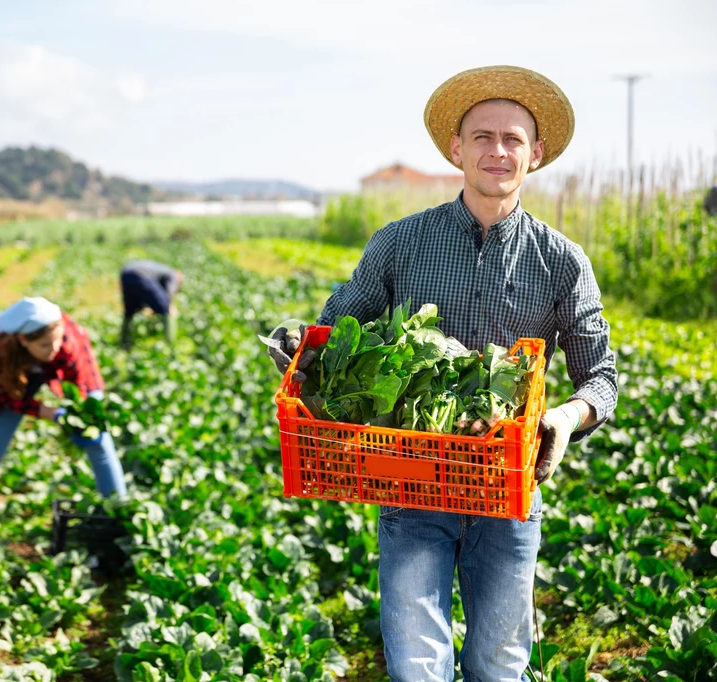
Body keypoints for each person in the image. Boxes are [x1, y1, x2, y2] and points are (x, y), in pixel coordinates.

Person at [269, 65, 618, 681]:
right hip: (409, 483)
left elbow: (602, 379)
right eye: (482, 137)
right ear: (456, 148)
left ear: (535, 155)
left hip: (509, 493)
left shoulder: (563, 261)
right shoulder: (399, 244)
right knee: (416, 665)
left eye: (512, 139)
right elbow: (331, 337)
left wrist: (563, 418)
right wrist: (300, 346)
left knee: (500, 664)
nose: (497, 151)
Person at [0, 297, 127, 569]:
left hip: (71, 363)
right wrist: (49, 413)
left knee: (99, 441)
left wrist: (86, 416)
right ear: (23, 341)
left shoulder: (67, 343)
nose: (52, 349)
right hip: (16, 373)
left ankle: (119, 519)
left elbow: (86, 387)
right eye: (44, 345)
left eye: (56, 341)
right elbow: (9, 396)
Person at [119, 259, 184, 350]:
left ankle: (123, 343)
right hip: (140, 274)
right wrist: (170, 307)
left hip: (126, 273)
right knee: (166, 308)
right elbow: (168, 295)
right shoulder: (173, 276)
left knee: (130, 310)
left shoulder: (160, 270)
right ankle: (170, 346)